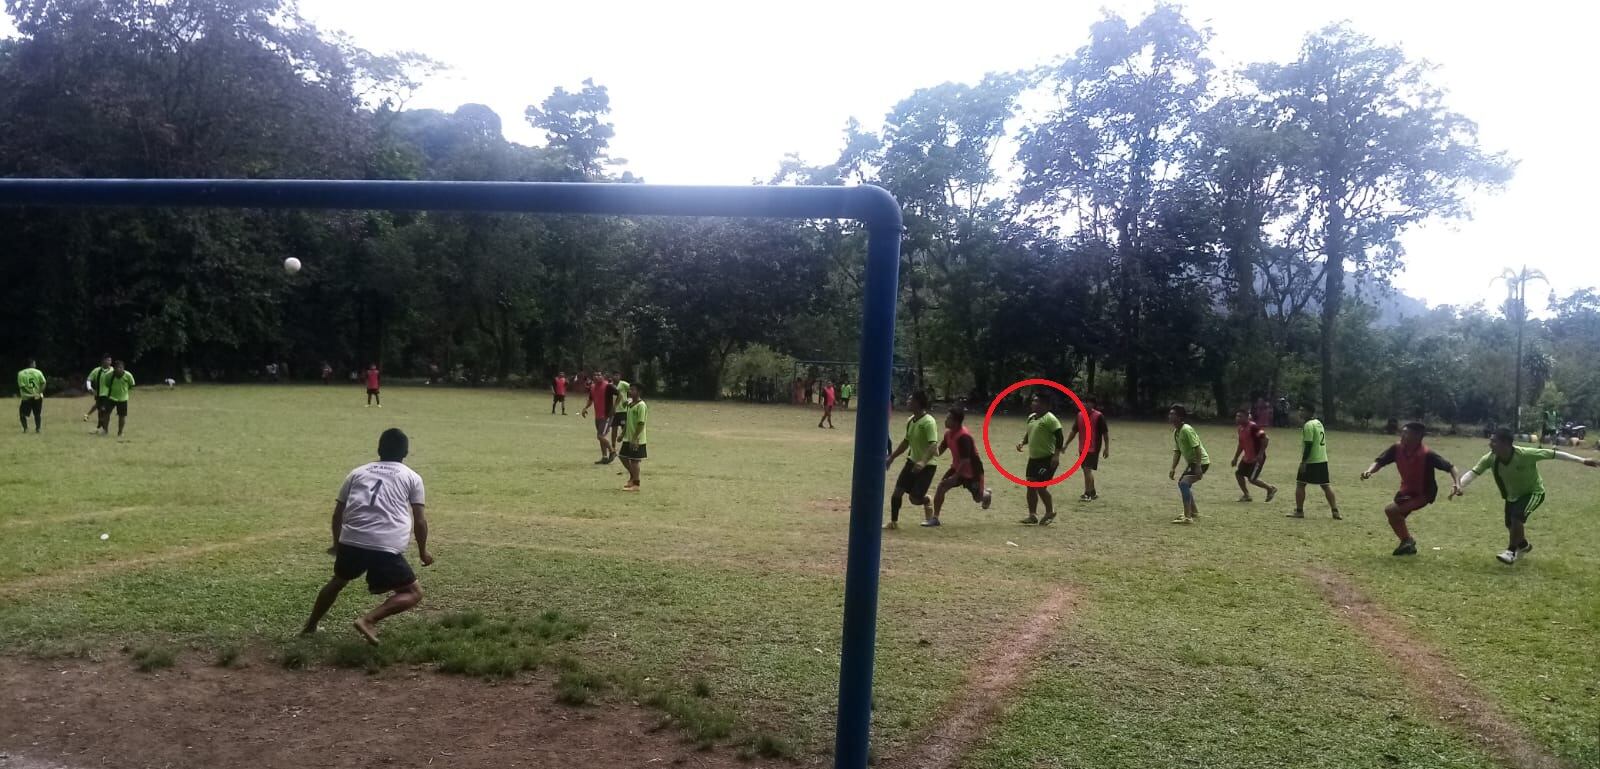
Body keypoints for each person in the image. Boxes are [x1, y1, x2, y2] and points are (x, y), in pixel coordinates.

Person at [301, 428, 432, 644]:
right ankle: (368, 620)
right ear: (406, 453)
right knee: (413, 593)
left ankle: (310, 626)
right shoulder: (412, 477)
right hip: (385, 545)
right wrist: (423, 552)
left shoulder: (357, 472)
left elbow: (337, 514)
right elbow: (420, 521)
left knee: (338, 581)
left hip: (352, 540)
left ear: (379, 449)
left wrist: (337, 544)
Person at [1451, 428, 1599, 564]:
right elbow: (1473, 473)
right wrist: (1459, 485)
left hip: (1533, 492)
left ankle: (1510, 552)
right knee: (1510, 525)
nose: (1490, 444)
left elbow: (1554, 454)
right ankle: (1523, 545)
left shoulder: (1525, 454)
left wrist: (1583, 460)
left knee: (1517, 518)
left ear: (1505, 444)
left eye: (1494, 441)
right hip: (1512, 496)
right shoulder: (1490, 458)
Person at [1361, 422, 1461, 556]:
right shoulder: (1396, 448)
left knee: (1391, 510)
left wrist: (1457, 484)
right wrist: (1369, 471)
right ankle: (1407, 543)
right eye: (1402, 432)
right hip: (1406, 491)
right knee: (1394, 515)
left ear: (1417, 436)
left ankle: (1407, 541)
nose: (1402, 435)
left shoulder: (1427, 454)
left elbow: (1451, 467)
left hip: (1424, 493)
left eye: (1406, 433)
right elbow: (1380, 461)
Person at [884, 390, 939, 530]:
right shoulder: (910, 420)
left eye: (910, 399)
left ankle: (927, 500)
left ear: (918, 402)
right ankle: (893, 522)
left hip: (928, 466)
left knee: (914, 499)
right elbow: (906, 442)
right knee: (897, 492)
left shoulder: (929, 422)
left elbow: (933, 445)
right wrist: (892, 457)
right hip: (911, 461)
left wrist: (923, 462)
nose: (908, 402)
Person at [929, 405, 992, 526]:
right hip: (957, 467)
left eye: (948, 418)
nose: (945, 420)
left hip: (972, 471)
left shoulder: (964, 437)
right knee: (941, 487)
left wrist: (954, 477)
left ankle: (987, 494)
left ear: (956, 422)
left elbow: (965, 461)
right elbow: (939, 451)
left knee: (978, 498)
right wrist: (930, 450)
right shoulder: (948, 434)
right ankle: (935, 518)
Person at [1015, 392, 1064, 526]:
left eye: (1036, 401)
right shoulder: (1031, 417)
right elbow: (1029, 432)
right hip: (1033, 458)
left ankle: (1050, 511)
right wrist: (1022, 442)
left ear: (1045, 405)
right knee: (1030, 486)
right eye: (1033, 401)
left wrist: (1056, 455)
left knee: (1040, 487)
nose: (1033, 403)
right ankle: (1032, 515)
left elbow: (1060, 437)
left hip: (1047, 458)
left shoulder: (1051, 419)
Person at [1291, 403, 1340, 519]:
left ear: (1309, 412)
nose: (1300, 412)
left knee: (1300, 484)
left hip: (1311, 461)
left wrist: (1304, 462)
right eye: (1299, 410)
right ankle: (1335, 511)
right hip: (1322, 459)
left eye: (1302, 410)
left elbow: (1308, 445)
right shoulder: (1318, 423)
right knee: (1325, 485)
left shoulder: (1308, 425)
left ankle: (1299, 511)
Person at [1168, 404, 1209, 524]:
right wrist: (1173, 468)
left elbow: (1197, 449)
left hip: (1201, 462)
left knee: (1184, 484)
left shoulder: (1187, 429)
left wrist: (1198, 467)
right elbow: (1177, 451)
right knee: (1184, 484)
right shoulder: (1177, 431)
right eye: (1169, 414)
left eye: (1173, 414)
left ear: (1180, 417)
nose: (1170, 416)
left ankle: (1187, 517)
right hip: (1193, 463)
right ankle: (1193, 512)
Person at [1063, 395, 1110, 502]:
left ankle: (1087, 493)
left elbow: (1105, 433)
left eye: (1087, 402)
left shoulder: (1099, 416)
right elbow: (1073, 431)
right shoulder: (1079, 415)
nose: (1084, 404)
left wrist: (1106, 448)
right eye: (1083, 402)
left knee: (1087, 470)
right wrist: (1066, 444)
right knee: (1086, 471)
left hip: (1093, 448)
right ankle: (1092, 492)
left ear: (1093, 404)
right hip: (1082, 447)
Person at [1230, 408, 1278, 503]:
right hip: (1247, 457)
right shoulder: (1240, 428)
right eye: (1237, 416)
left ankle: (1270, 488)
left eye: (1240, 416)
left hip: (1256, 458)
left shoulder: (1253, 427)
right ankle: (1247, 495)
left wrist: (1260, 454)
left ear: (1247, 417)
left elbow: (1265, 439)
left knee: (1252, 479)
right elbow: (1241, 444)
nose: (1237, 418)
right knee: (1238, 474)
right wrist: (1235, 457)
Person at [580, 370, 616, 464]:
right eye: (595, 375)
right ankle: (604, 457)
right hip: (598, 416)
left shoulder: (608, 386)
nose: (597, 376)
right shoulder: (592, 387)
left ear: (603, 376)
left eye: (599, 375)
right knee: (601, 437)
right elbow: (591, 399)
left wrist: (614, 407)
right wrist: (585, 408)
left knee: (600, 436)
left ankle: (612, 451)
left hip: (607, 415)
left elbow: (619, 394)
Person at [618, 385, 649, 491]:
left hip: (637, 439)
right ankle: (632, 477)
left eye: (632, 390)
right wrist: (622, 434)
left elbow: (641, 423)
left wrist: (635, 438)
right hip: (628, 437)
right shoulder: (630, 404)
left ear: (639, 392)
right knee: (622, 456)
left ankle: (636, 484)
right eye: (629, 389)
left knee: (634, 461)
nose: (630, 391)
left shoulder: (641, 405)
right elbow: (627, 420)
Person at [100, 360, 134, 437]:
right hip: (111, 397)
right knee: (106, 413)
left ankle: (120, 432)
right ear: (114, 368)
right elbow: (107, 384)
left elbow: (131, 384)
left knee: (122, 416)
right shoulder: (109, 375)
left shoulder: (128, 375)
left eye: (120, 367)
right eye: (117, 367)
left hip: (123, 399)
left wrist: (124, 391)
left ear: (123, 368)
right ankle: (105, 430)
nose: (119, 369)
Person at [17, 359, 45, 433]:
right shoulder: (38, 372)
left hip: (26, 397)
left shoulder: (21, 373)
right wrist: (39, 392)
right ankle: (38, 429)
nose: (35, 365)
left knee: (22, 414)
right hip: (38, 396)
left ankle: (25, 429)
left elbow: (22, 386)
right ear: (31, 364)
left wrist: (30, 393)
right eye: (34, 363)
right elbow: (43, 383)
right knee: (37, 414)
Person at [83, 354, 112, 425]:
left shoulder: (113, 371)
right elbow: (89, 379)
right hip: (99, 393)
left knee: (101, 407)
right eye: (108, 360)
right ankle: (101, 423)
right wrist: (89, 388)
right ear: (103, 361)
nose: (109, 362)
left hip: (109, 394)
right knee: (100, 406)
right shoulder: (96, 370)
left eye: (110, 360)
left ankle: (89, 415)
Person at [608, 373, 631, 450]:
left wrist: (629, 400)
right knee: (614, 429)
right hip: (613, 411)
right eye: (614, 375)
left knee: (624, 428)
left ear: (620, 376)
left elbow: (632, 390)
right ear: (612, 376)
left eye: (617, 375)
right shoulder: (610, 385)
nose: (616, 377)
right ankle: (613, 445)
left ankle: (628, 443)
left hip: (623, 410)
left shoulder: (623, 384)